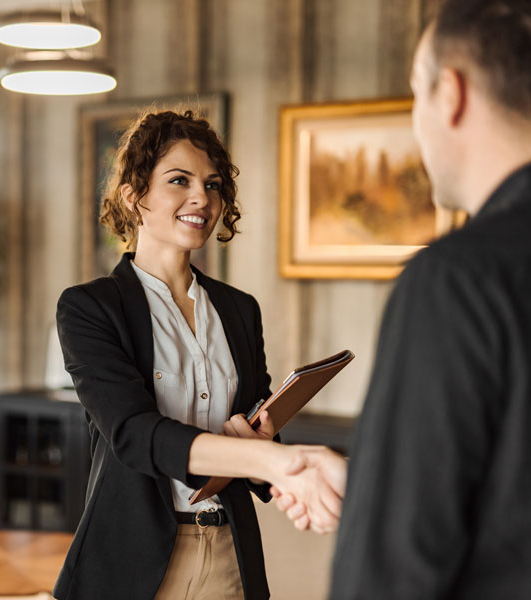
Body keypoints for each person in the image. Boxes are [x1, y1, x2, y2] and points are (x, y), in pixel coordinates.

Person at [272, 0, 531, 596]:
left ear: (451, 93)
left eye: (415, 93)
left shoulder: (458, 279)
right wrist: (375, 482)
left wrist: (384, 500)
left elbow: (391, 571)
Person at [53, 109, 347, 600]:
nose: (201, 198)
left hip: (230, 551)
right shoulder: (90, 307)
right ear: (134, 193)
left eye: (212, 185)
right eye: (178, 180)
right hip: (130, 562)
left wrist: (264, 439)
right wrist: (273, 461)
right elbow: (134, 434)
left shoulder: (239, 309)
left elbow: (256, 417)